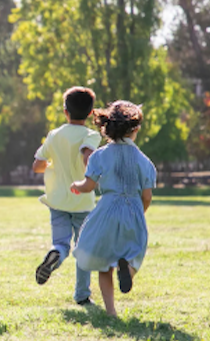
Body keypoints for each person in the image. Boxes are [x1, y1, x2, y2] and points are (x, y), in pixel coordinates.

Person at [71, 100, 156, 317]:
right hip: (133, 210)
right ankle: (127, 270)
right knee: (135, 253)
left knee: (103, 263)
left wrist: (76, 185)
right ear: (135, 129)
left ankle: (111, 312)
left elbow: (88, 186)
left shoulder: (99, 155)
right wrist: (139, 212)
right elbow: (147, 195)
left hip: (106, 210)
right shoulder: (144, 161)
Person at [32, 87, 101, 306]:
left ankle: (55, 254)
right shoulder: (91, 135)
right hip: (82, 200)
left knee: (61, 243)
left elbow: (37, 166)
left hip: (57, 200)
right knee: (83, 248)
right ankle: (82, 294)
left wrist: (54, 164)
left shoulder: (54, 135)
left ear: (65, 111)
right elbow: (87, 155)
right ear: (90, 113)